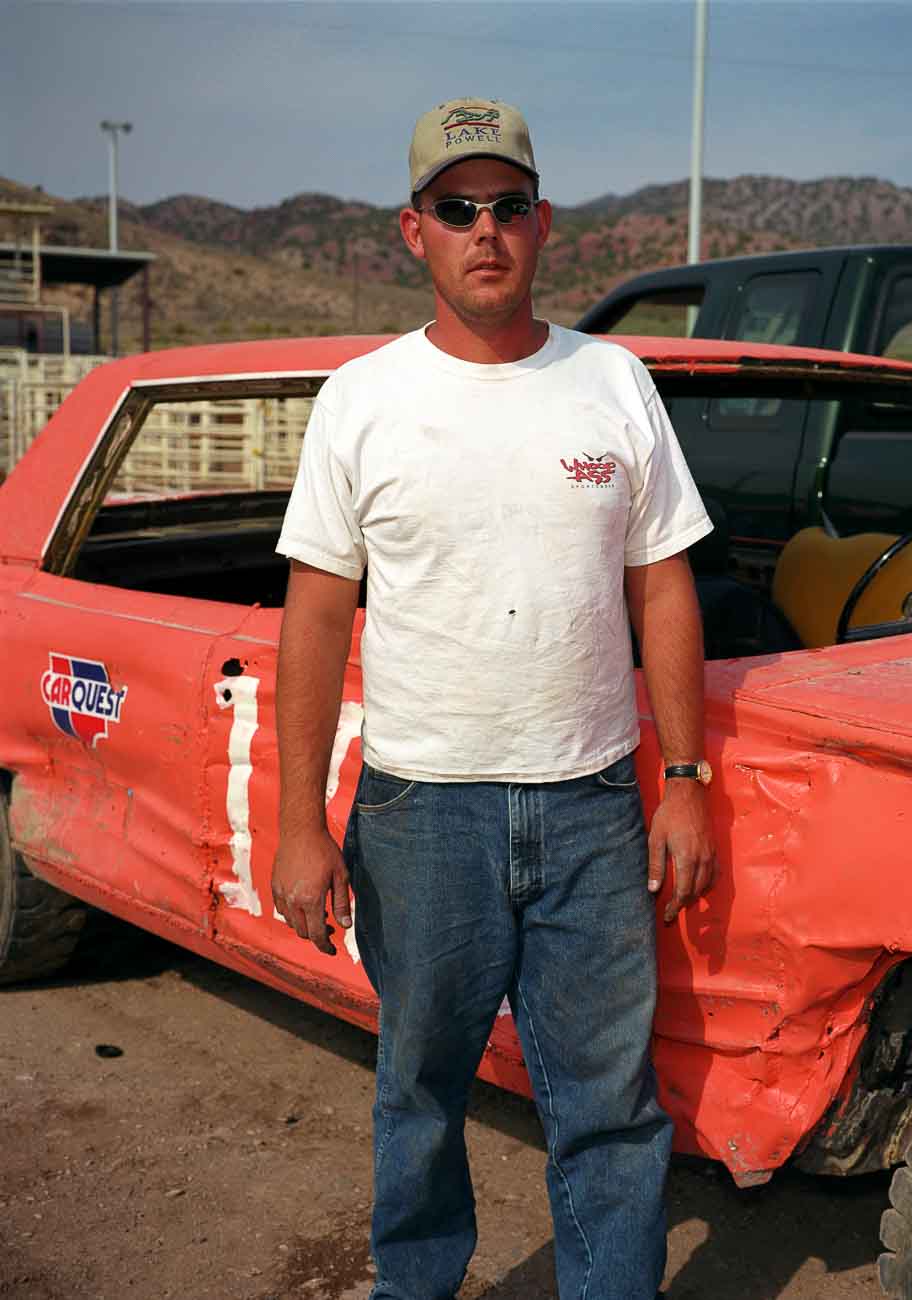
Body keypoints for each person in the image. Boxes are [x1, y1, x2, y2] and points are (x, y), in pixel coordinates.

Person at [271, 96, 717, 1300]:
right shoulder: (362, 398)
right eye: (457, 208)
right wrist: (299, 821)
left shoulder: (613, 382)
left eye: (507, 206)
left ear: (543, 224)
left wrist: (681, 780)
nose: (485, 230)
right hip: (422, 817)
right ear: (412, 231)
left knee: (610, 1111)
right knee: (418, 1093)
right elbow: (314, 615)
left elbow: (662, 586)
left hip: (590, 809)